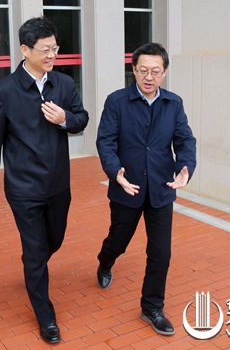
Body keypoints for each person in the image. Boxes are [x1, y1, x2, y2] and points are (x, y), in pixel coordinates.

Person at [0, 17, 89, 344]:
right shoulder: (5, 91)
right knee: (35, 249)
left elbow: (82, 119)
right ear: (25, 50)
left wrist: (65, 119)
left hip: (58, 183)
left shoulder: (64, 84)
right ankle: (45, 316)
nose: (52, 55)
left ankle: (34, 261)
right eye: (45, 49)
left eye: (55, 48)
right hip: (23, 187)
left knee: (53, 240)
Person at [95, 42, 196, 336]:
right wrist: (115, 171)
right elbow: (105, 141)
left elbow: (185, 140)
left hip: (161, 189)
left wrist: (186, 166)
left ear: (164, 72)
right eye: (143, 71)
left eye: (155, 71)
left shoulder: (173, 103)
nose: (148, 77)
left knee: (160, 252)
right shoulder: (117, 101)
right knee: (118, 241)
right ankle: (105, 261)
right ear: (134, 70)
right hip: (127, 187)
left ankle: (152, 307)